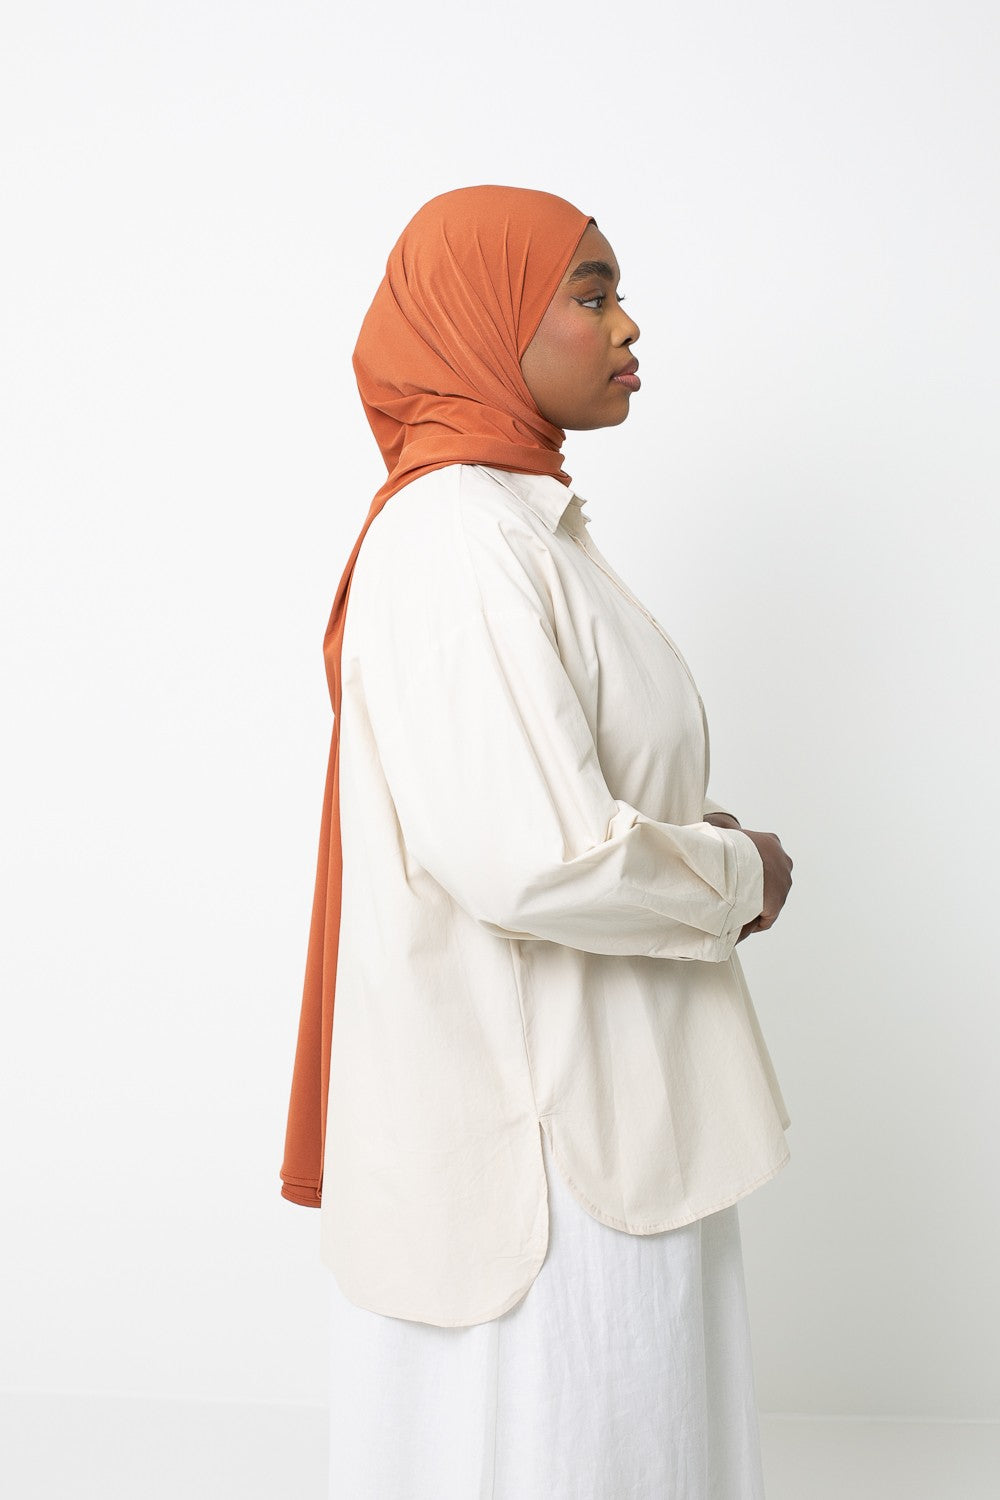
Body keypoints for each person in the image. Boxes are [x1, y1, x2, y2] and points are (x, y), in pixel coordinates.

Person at [281, 184, 794, 1500]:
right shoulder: (458, 537)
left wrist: (681, 842)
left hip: (602, 1128)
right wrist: (737, 876)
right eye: (590, 292)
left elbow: (542, 804)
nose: (628, 325)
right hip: (550, 1171)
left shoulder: (521, 527)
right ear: (482, 319)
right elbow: (533, 856)